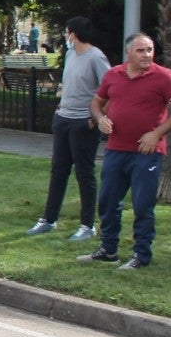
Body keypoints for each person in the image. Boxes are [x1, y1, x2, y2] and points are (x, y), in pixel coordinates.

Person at [79, 33, 171, 269]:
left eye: (150, 50)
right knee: (108, 201)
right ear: (128, 52)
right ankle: (108, 250)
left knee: (142, 205)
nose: (147, 55)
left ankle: (141, 255)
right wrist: (100, 119)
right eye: (141, 50)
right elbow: (96, 102)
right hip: (116, 149)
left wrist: (156, 134)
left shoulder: (164, 76)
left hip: (146, 152)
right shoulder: (114, 74)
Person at [27, 17, 110, 241]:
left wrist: (95, 119)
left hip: (83, 123)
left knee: (84, 173)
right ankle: (49, 219)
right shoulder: (70, 54)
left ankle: (87, 225)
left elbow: (111, 89)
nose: (66, 36)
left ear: (73, 34)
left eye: (67, 32)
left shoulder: (96, 57)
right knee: (58, 170)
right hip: (63, 118)